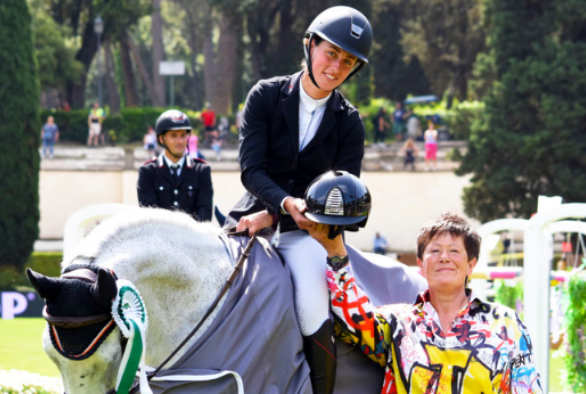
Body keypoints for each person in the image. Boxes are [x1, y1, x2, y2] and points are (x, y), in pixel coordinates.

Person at [225, 7, 373, 394]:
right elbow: (251, 171)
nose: (337, 66)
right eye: (331, 53)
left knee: (312, 302)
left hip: (305, 233)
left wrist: (276, 218)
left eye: (348, 61)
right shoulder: (266, 95)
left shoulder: (349, 122)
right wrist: (280, 205)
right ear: (310, 45)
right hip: (248, 216)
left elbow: (342, 201)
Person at [307, 209, 544, 394]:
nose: (444, 258)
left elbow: (527, 386)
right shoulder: (398, 323)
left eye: (454, 251)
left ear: (471, 265)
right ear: (420, 265)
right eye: (434, 251)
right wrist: (336, 251)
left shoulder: (505, 322)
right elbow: (352, 318)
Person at [137, 110, 213, 222]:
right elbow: (150, 218)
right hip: (159, 238)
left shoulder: (201, 170)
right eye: (173, 136)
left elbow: (204, 215)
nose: (180, 141)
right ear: (161, 139)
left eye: (183, 135)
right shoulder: (148, 172)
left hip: (194, 238)